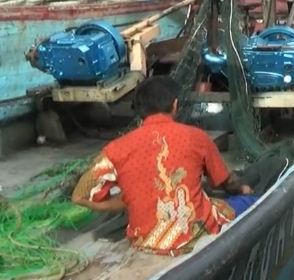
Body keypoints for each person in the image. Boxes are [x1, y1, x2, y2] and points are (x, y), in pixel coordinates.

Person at [72, 76, 257, 255]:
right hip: (193, 235)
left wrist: (125, 202)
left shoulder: (116, 149)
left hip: (145, 242)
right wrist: (243, 188)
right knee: (249, 202)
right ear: (175, 104)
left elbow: (80, 196)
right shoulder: (196, 137)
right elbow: (224, 182)